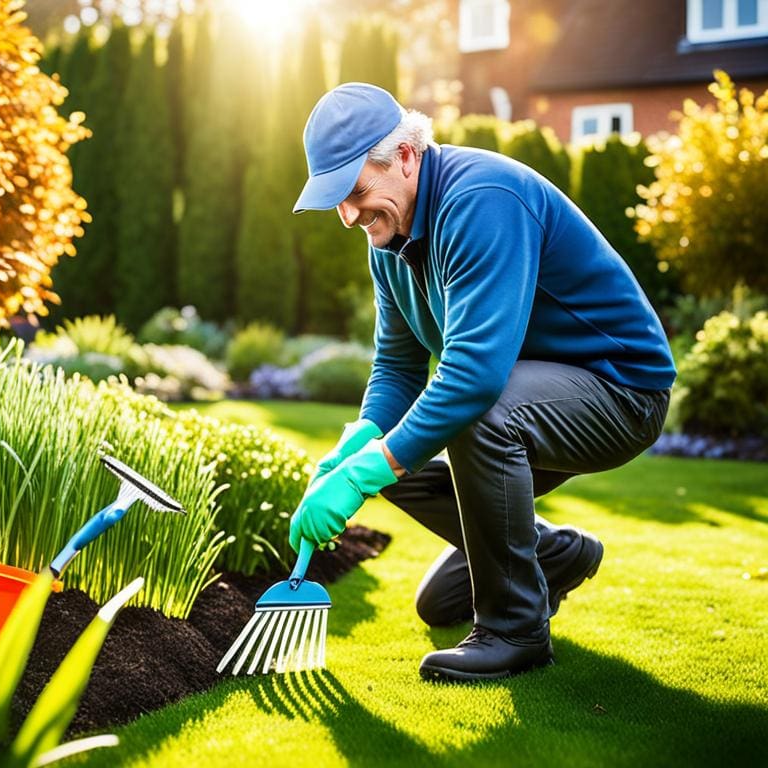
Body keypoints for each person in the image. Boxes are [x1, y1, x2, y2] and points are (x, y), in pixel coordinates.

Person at [289, 83, 675, 683]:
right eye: (337, 201)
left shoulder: (482, 199)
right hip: (527, 396)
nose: (349, 216)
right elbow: (397, 366)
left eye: (357, 192)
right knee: (432, 590)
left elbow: (472, 376)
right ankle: (551, 554)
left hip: (619, 389)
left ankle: (514, 631)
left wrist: (367, 470)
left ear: (407, 158)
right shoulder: (389, 241)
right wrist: (355, 447)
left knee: (474, 409)